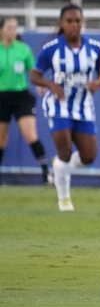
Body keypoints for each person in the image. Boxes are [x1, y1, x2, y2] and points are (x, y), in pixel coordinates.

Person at [30, 3, 100, 211]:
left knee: (89, 156)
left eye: (77, 21)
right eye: (69, 21)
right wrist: (51, 84)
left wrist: (99, 82)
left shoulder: (94, 48)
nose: (74, 25)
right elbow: (35, 75)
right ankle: (64, 199)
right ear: (62, 23)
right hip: (58, 106)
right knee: (65, 151)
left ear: (82, 22)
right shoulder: (51, 49)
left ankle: (60, 168)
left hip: (83, 106)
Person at [0, 17, 49, 185]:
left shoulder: (24, 50)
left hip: (21, 97)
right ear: (1, 30)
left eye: (15, 28)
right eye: (10, 28)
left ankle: (46, 174)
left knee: (31, 135)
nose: (13, 31)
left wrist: (40, 86)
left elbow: (33, 73)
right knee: (1, 139)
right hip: (1, 99)